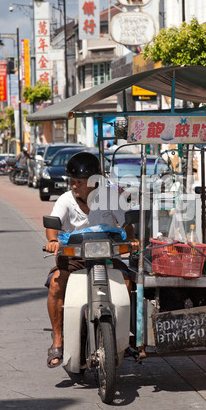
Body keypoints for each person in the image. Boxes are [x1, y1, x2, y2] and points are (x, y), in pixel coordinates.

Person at [45, 151, 138, 368]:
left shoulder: (110, 197)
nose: (74, 186)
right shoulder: (65, 199)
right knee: (56, 284)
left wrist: (131, 239)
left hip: (106, 256)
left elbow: (127, 223)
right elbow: (53, 223)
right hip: (74, 258)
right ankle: (58, 340)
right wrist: (52, 240)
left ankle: (122, 334)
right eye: (73, 181)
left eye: (79, 182)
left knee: (127, 282)